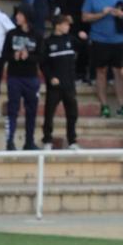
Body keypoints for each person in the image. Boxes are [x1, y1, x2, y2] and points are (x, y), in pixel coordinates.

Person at [82, 0, 123, 120]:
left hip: (118, 39)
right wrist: (102, 14)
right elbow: (84, 17)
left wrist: (119, 14)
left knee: (119, 73)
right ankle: (104, 106)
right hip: (99, 39)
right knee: (101, 72)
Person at [39, 12, 81, 149]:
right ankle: (47, 140)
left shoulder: (71, 40)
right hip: (55, 86)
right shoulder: (48, 42)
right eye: (65, 24)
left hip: (69, 84)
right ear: (57, 26)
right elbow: (43, 64)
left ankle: (72, 141)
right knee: (49, 113)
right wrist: (51, 77)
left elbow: (84, 50)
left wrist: (84, 39)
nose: (68, 27)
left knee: (72, 114)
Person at [2, 8, 42, 150]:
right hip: (14, 77)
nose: (17, 17)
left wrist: (28, 57)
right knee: (12, 109)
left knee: (31, 110)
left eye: (20, 14)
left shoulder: (37, 35)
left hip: (31, 78)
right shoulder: (11, 34)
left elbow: (41, 56)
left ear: (26, 16)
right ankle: (10, 141)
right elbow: (4, 54)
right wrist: (14, 56)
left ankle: (29, 141)